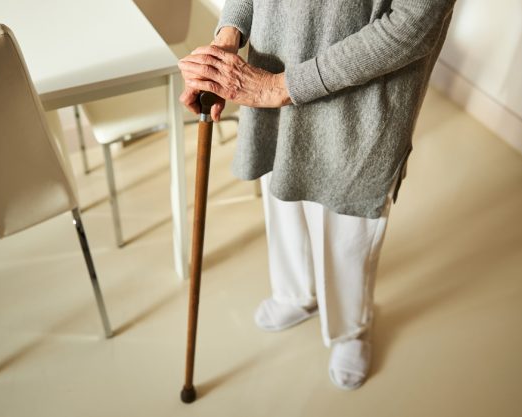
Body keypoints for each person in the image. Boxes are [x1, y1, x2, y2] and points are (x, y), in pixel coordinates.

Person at [178, 0, 456, 390]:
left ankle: (350, 329)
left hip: (359, 101)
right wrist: (228, 37)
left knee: (347, 231)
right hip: (269, 72)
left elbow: (413, 25)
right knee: (283, 199)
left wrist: (282, 87)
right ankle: (297, 293)